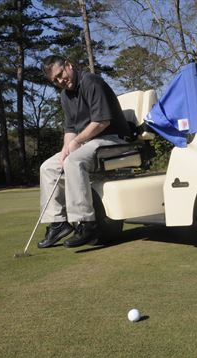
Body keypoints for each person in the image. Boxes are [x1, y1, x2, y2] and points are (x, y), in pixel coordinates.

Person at [37, 55, 130, 248]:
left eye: (60, 74)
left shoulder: (91, 82)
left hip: (113, 139)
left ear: (69, 65)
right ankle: (57, 223)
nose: (60, 80)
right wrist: (65, 150)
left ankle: (86, 224)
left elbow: (102, 121)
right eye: (55, 80)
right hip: (90, 142)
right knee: (48, 167)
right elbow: (71, 129)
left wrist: (77, 142)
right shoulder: (65, 96)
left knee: (74, 161)